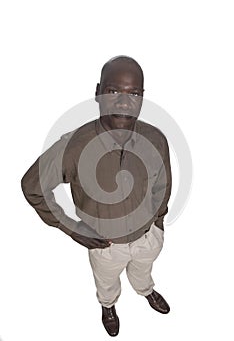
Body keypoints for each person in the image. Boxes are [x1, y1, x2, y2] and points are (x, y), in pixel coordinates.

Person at [21, 56, 172, 337]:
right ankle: (108, 306)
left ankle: (146, 291)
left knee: (143, 271)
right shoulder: (74, 146)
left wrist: (159, 221)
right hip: (105, 245)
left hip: (147, 237)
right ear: (98, 92)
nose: (124, 102)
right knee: (106, 282)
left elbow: (163, 184)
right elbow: (32, 185)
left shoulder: (156, 138)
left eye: (134, 94)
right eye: (114, 91)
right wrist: (70, 228)